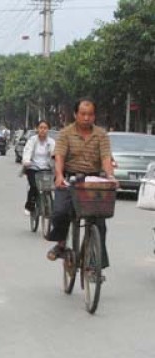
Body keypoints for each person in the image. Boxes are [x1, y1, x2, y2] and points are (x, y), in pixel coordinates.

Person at [46, 97, 116, 268]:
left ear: (94, 116)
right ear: (75, 114)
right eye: (83, 114)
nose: (86, 118)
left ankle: (95, 263)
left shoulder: (101, 135)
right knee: (60, 212)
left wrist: (110, 176)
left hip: (93, 181)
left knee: (100, 221)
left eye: (90, 114)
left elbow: (106, 158)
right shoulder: (65, 133)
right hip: (70, 179)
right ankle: (61, 245)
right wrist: (59, 175)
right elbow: (60, 156)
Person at [22, 120, 55, 215]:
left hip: (46, 168)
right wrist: (26, 161)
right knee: (34, 186)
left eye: (45, 128)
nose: (43, 130)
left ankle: (48, 205)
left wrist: (55, 157)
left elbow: (54, 153)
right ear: (37, 129)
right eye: (41, 128)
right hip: (33, 167)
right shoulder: (32, 140)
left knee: (48, 187)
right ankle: (29, 206)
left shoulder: (51, 142)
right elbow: (27, 151)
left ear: (48, 129)